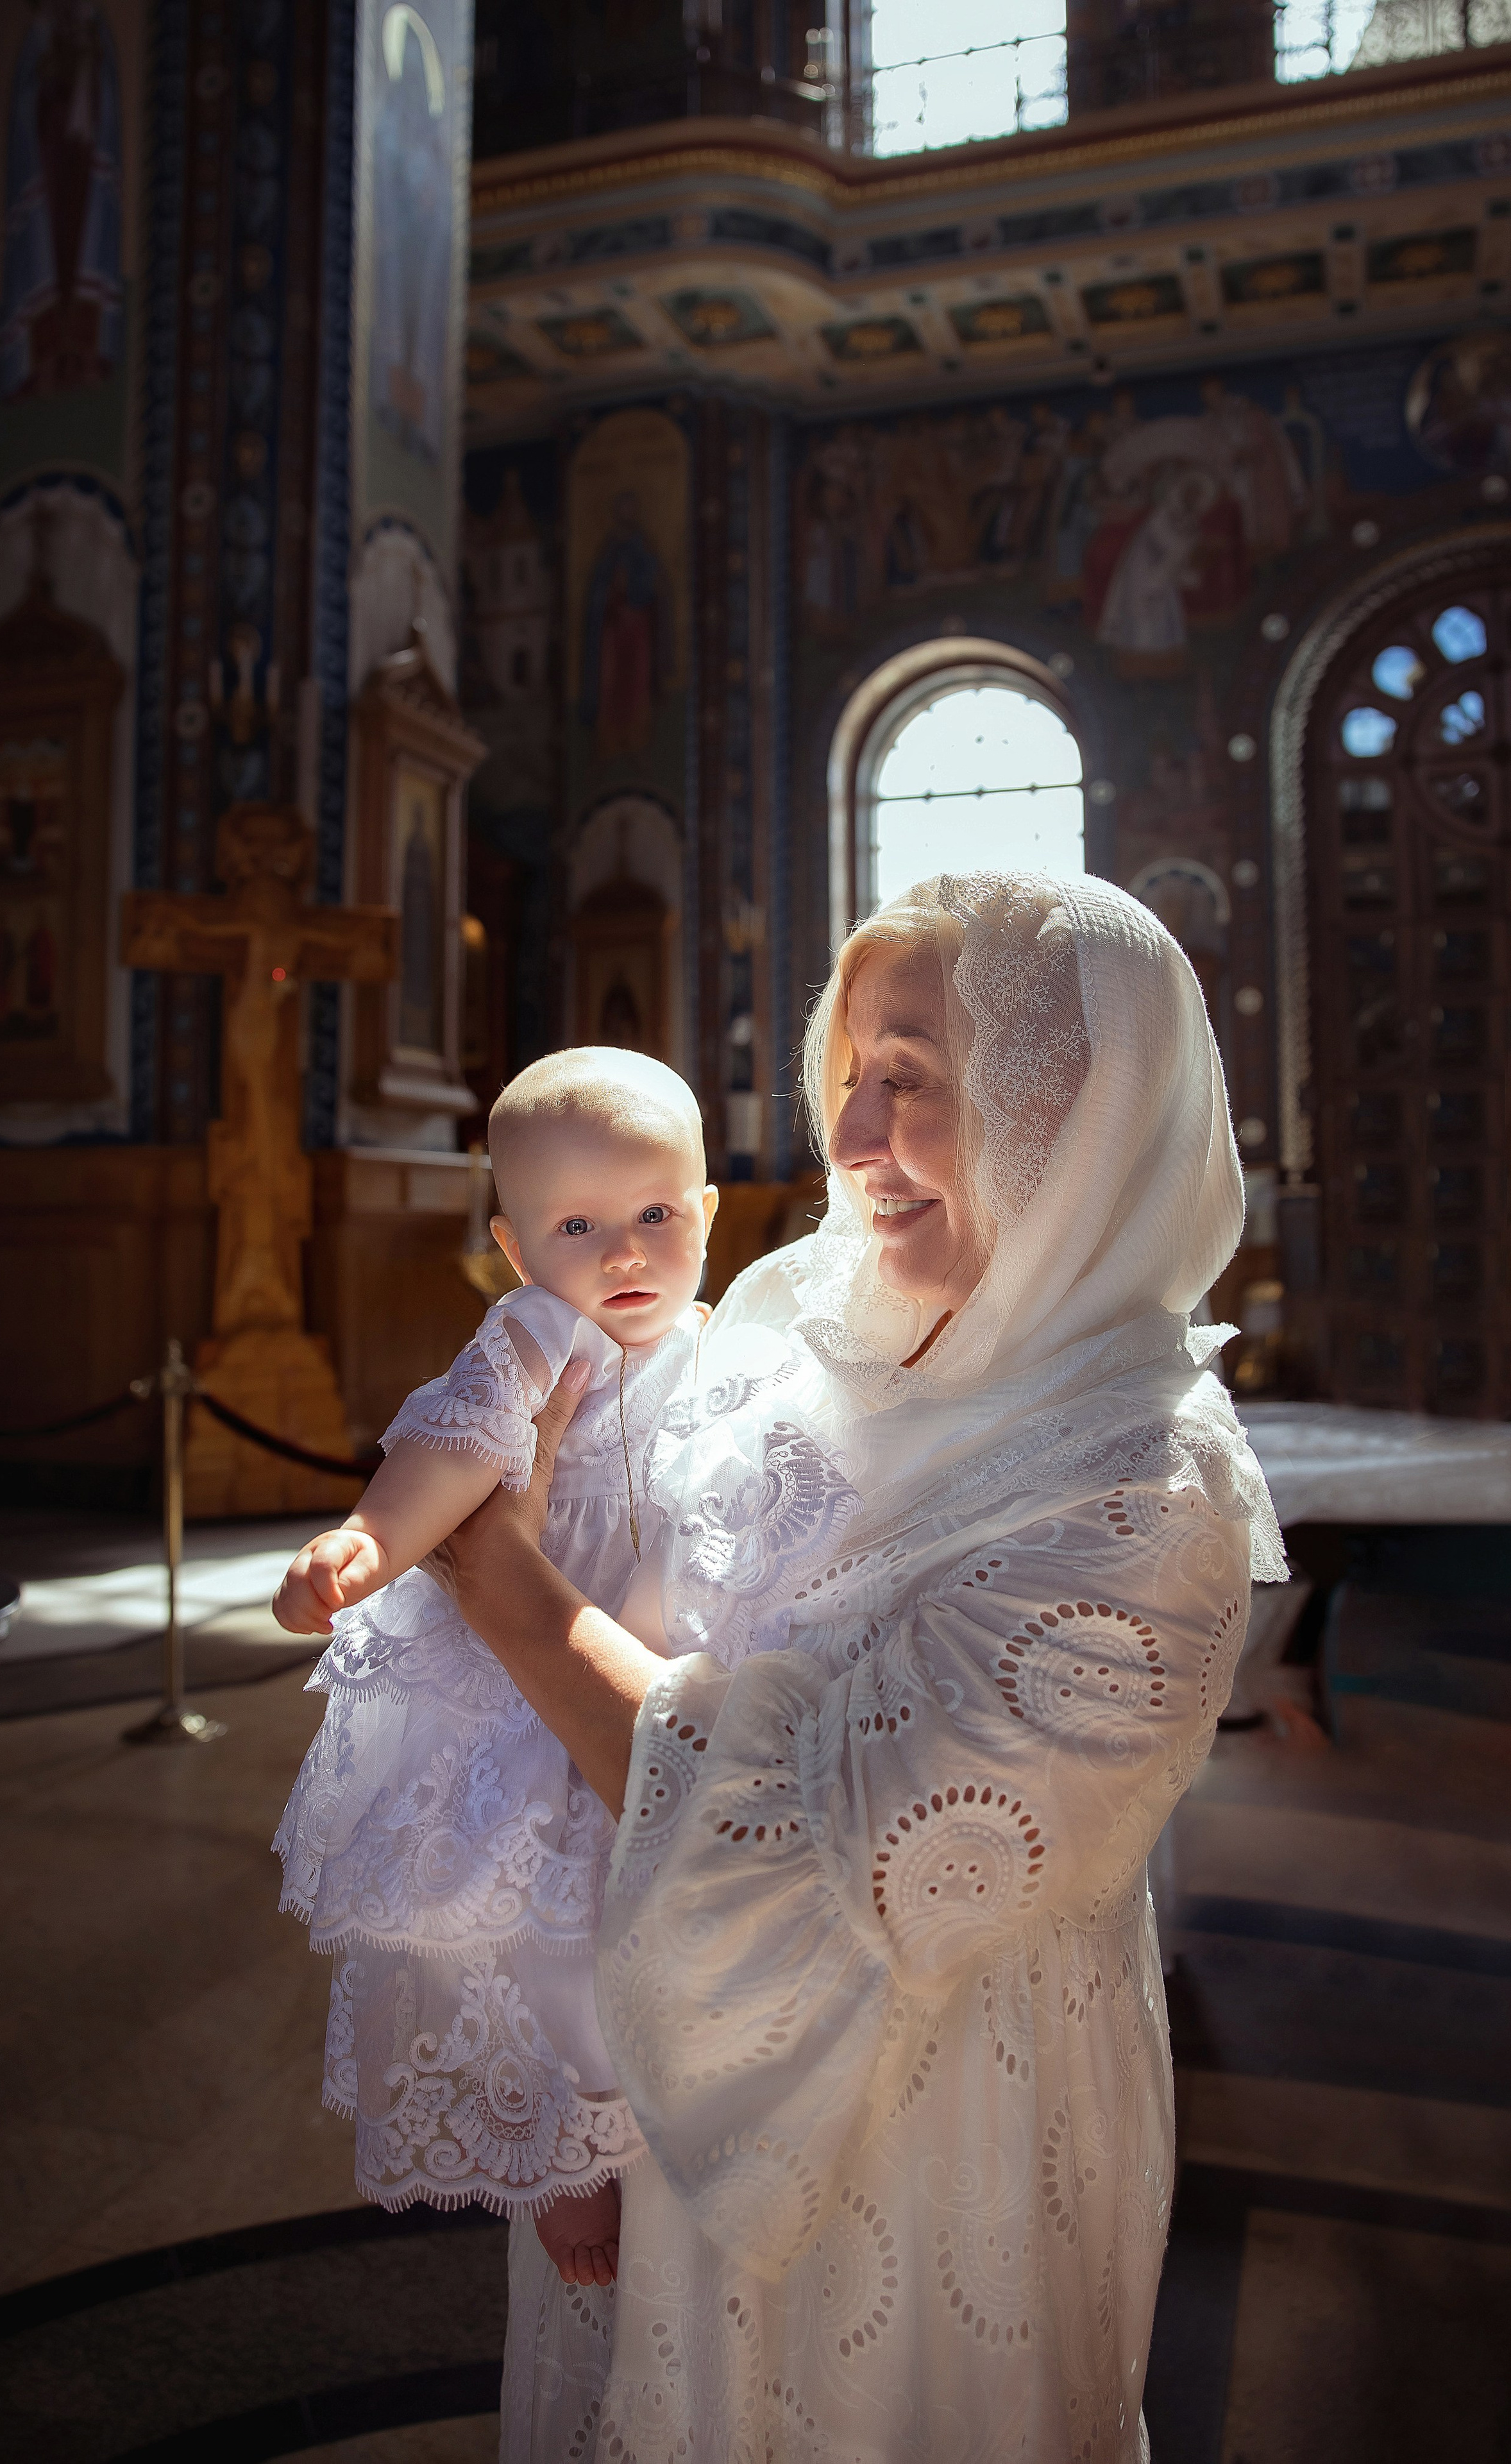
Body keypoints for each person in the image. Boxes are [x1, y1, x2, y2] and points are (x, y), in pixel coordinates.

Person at [428, 871, 1285, 2458]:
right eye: (845, 1074)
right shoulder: (783, 1304)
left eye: (917, 1082)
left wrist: (497, 1577)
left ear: (1071, 1120)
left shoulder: (1147, 1492)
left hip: (935, 2121)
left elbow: (813, 1832)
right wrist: (563, 2085)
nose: (846, 1141)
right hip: (635, 2034)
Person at [271, 1048, 729, 2290]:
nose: (622, 1254)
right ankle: (565, 2161)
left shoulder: (730, 1348)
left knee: (657, 1924)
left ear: (707, 1211)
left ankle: (664, 2122)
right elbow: (452, 1443)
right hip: (528, 1688)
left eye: (654, 1214)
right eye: (577, 1226)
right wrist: (367, 1541)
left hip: (652, 1666)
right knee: (541, 1930)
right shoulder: (536, 1335)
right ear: (515, 1248)